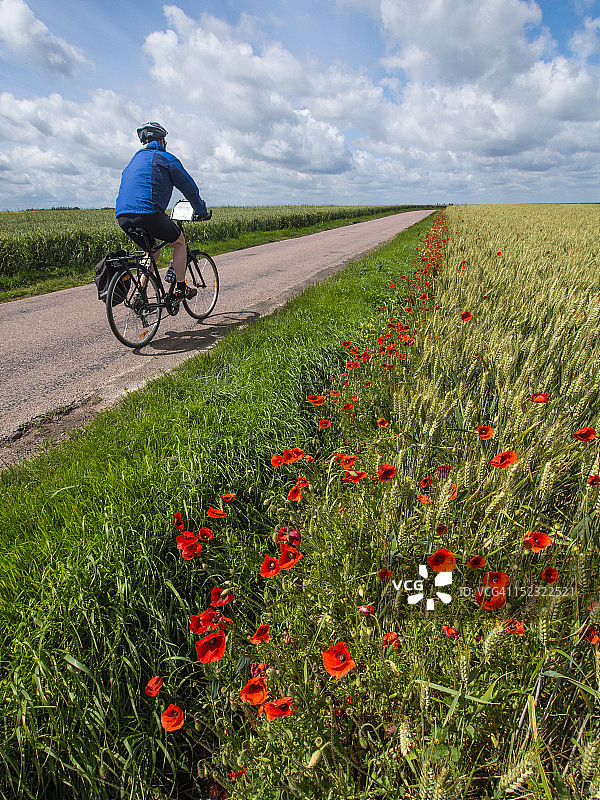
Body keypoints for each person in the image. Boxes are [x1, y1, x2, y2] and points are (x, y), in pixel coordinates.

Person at [115, 122, 210, 300]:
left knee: (152, 250)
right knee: (179, 242)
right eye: (165, 141)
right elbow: (188, 186)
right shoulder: (164, 157)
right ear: (161, 141)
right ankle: (181, 288)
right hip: (148, 212)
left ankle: (139, 293)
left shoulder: (133, 161)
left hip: (122, 215)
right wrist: (201, 210)